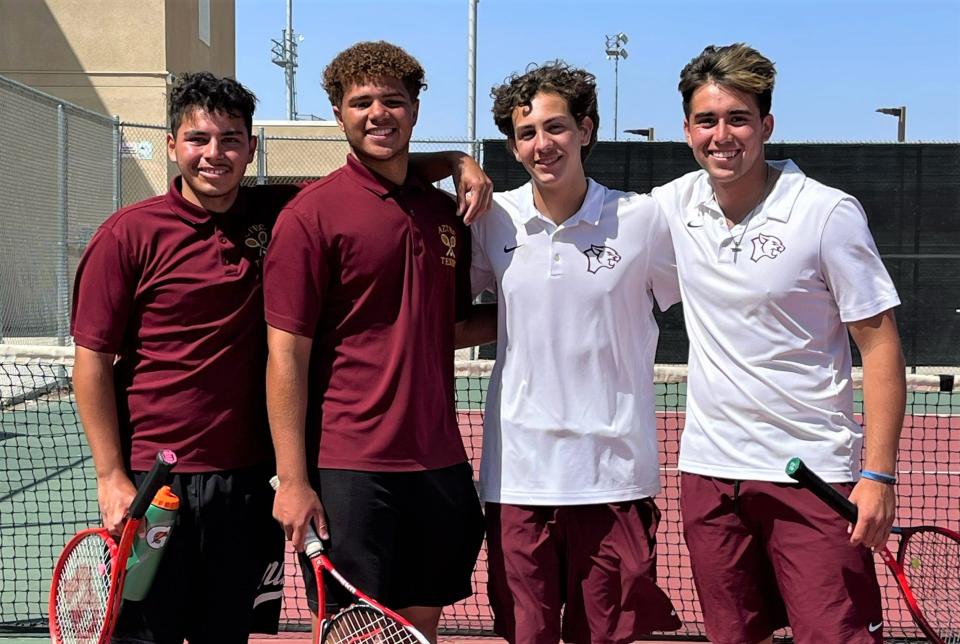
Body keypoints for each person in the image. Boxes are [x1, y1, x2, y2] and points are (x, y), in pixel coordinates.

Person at [71, 71, 490, 644]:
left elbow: (377, 167)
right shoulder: (127, 236)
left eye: (230, 140)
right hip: (155, 484)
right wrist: (111, 476)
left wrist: (455, 161)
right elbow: (92, 361)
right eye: (198, 140)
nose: (214, 155)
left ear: (250, 147)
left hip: (248, 485)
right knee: (144, 635)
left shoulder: (282, 212)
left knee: (227, 634)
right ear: (173, 146)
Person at [651, 44, 906, 644]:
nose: (722, 135)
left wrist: (879, 475)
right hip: (709, 476)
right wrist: (453, 162)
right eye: (707, 120)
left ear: (766, 125)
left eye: (738, 118)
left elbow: (880, 346)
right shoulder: (669, 207)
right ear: (687, 128)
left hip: (813, 475)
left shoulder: (826, 213)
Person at [264, 41, 485, 643]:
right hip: (350, 469)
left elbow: (454, 327)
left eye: (393, 101)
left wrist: (559, 308)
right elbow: (286, 354)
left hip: (439, 462)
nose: (378, 114)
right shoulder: (310, 215)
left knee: (419, 629)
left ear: (415, 110)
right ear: (339, 114)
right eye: (361, 102)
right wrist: (293, 480)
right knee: (354, 632)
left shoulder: (444, 213)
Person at [467, 61, 682, 644]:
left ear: (586, 129)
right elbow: (452, 317)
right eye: (527, 133)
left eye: (556, 127)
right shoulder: (493, 219)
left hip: (613, 476)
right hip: (517, 476)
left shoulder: (644, 221)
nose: (543, 144)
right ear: (513, 146)